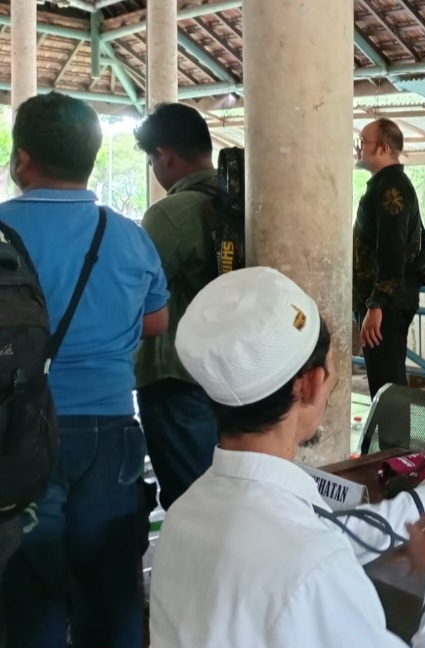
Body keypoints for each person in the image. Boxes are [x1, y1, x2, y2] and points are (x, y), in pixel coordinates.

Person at [150, 266, 425, 648]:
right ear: (310, 383)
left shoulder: (183, 516)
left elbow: (324, 532)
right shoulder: (314, 567)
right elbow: (309, 550)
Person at [0, 92, 169, 648]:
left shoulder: (2, 230)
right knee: (112, 588)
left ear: (22, 160)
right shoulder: (128, 235)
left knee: (30, 590)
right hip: (111, 431)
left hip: (17, 432)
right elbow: (157, 320)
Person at [133, 102, 221, 510]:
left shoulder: (169, 215)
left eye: (152, 160)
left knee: (189, 502)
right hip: (236, 377)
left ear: (164, 155)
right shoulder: (241, 198)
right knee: (225, 496)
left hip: (175, 379)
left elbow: (137, 299)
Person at [353, 118, 424, 399]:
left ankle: (396, 431)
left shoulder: (391, 189)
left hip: (387, 305)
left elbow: (392, 251)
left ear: (382, 148)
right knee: (384, 382)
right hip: (384, 302)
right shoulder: (385, 185)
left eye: (363, 142)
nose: (358, 148)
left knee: (387, 387)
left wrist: (376, 305)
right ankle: (394, 430)